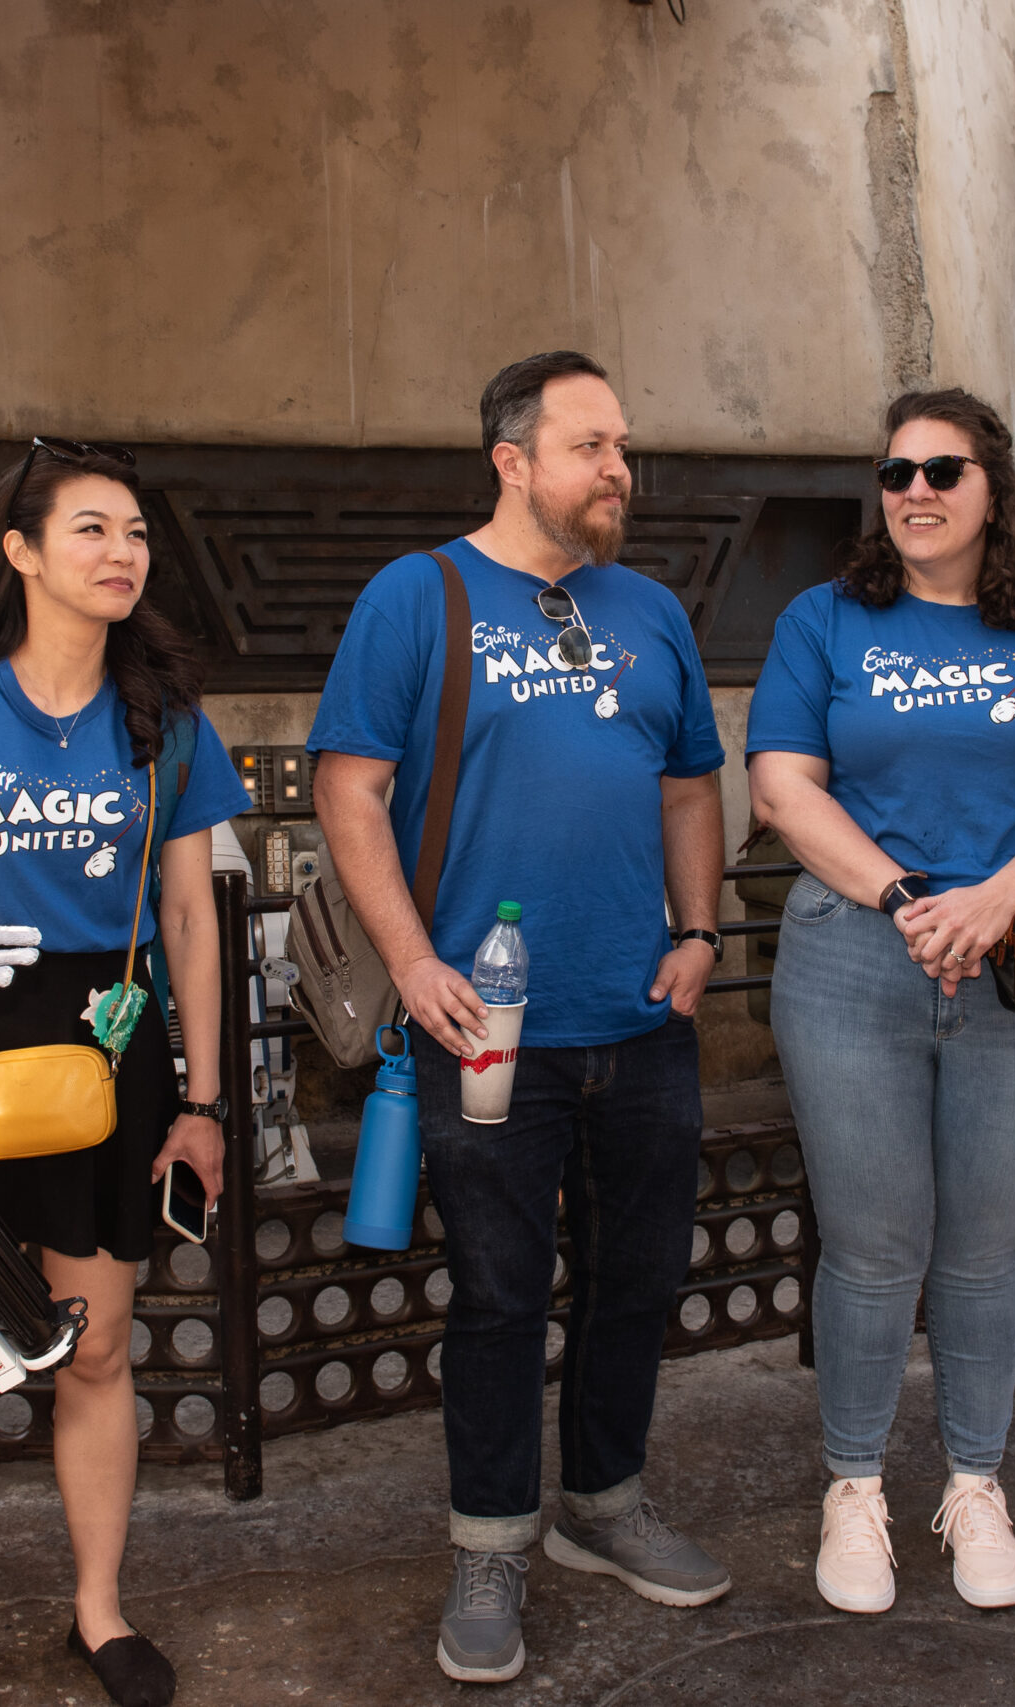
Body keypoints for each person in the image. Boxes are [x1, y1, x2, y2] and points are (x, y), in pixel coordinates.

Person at [309, 351, 731, 1684]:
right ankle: (493, 1538)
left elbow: (688, 787)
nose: (621, 467)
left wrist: (703, 930)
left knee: (637, 1278)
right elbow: (349, 790)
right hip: (482, 1025)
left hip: (642, 1018)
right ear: (514, 461)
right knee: (498, 1295)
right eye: (593, 444)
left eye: (624, 444)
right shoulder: (418, 596)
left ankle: (604, 1504)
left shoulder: (652, 607)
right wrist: (410, 958)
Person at [0, 440, 251, 1707]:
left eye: (134, 533)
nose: (120, 553)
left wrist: (200, 1102)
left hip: (109, 1039)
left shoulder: (165, 720)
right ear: (21, 551)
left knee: (95, 1350)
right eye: (89, 530)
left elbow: (191, 920)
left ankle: (99, 1610)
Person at [746, 388, 1015, 1615]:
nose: (914, 491)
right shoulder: (824, 622)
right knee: (870, 1252)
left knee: (980, 1251)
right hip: (856, 955)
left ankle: (974, 1484)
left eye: (942, 471)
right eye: (897, 471)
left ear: (992, 491)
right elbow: (781, 788)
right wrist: (917, 896)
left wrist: (994, 899)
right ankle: (853, 1489)